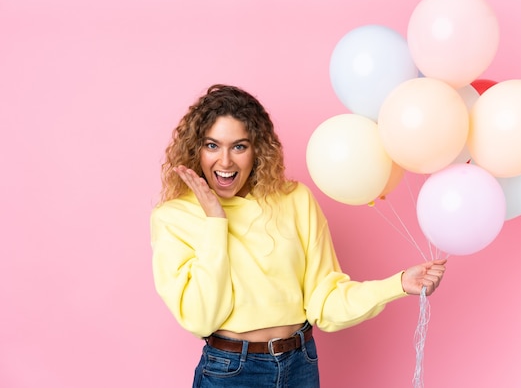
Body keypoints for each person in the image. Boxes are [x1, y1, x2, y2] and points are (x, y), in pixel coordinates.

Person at [150, 84, 447, 388]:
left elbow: (326, 302)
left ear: (257, 149)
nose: (224, 162)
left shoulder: (294, 200)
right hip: (230, 372)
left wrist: (397, 284)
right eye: (212, 145)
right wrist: (215, 221)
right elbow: (201, 319)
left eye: (239, 146)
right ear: (196, 148)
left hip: (300, 364)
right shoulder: (174, 217)